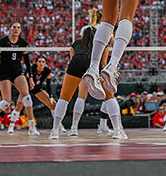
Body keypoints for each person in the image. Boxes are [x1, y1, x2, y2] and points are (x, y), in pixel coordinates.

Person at [50, 10, 126, 140]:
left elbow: (72, 58)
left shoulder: (77, 42)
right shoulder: (105, 36)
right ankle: (118, 131)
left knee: (65, 98)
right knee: (109, 97)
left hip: (77, 62)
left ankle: (55, 131)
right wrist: (109, 70)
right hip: (94, 63)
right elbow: (103, 61)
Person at [0, 22, 39, 135]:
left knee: (27, 95)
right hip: (4, 72)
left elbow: (27, 63)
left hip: (17, 71)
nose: (16, 29)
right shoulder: (2, 43)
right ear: (10, 29)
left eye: (18, 27)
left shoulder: (23, 43)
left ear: (20, 30)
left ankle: (32, 126)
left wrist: (31, 78)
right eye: (14, 27)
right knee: (7, 101)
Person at [69, 10, 114, 137]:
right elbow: (112, 44)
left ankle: (74, 128)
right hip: (98, 63)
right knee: (109, 95)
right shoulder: (105, 28)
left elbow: (80, 44)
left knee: (81, 96)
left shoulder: (85, 28)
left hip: (83, 62)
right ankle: (106, 126)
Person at [6, 56, 58, 134]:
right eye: (39, 61)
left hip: (37, 89)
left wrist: (50, 96)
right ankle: (11, 126)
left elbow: (48, 85)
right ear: (36, 63)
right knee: (20, 104)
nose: (41, 63)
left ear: (45, 63)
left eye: (43, 62)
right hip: (27, 87)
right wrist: (21, 94)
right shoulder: (31, 69)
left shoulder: (47, 71)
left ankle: (58, 125)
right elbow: (25, 81)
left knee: (53, 104)